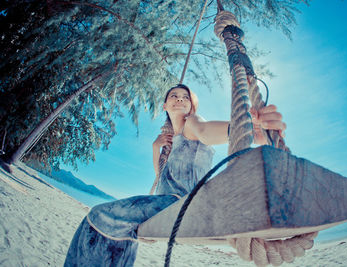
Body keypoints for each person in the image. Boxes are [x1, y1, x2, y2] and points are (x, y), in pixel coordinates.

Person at [64, 84, 286, 266]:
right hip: (168, 203)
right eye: (174, 96)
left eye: (185, 98)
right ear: (165, 105)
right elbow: (161, 178)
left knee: (99, 216)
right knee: (120, 232)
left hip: (184, 204)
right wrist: (156, 148)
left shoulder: (192, 124)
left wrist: (242, 127)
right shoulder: (172, 140)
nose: (179, 99)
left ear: (191, 106)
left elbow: (206, 132)